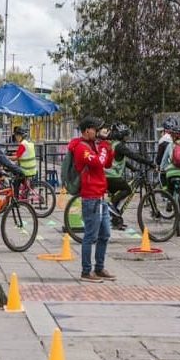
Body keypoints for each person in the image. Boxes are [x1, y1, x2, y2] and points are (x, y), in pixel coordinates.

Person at [68, 116, 115, 283]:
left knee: (105, 234)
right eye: (95, 129)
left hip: (100, 196)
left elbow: (107, 163)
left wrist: (107, 146)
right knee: (90, 235)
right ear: (87, 130)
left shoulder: (93, 145)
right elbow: (98, 163)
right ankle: (86, 271)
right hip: (91, 197)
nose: (97, 132)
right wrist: (102, 145)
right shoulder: (81, 148)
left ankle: (99, 268)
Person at [105, 122, 155, 219]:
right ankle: (110, 207)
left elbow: (121, 161)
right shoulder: (120, 146)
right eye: (126, 135)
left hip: (107, 175)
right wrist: (150, 163)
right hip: (112, 176)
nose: (127, 138)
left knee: (118, 194)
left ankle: (115, 218)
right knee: (127, 189)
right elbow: (134, 156)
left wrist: (133, 169)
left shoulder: (113, 144)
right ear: (121, 136)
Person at [10, 127, 37, 197]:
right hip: (32, 169)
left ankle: (16, 198)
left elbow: (16, 158)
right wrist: (12, 154)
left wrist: (6, 157)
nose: (15, 138)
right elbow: (22, 154)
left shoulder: (22, 145)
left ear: (20, 136)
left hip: (26, 170)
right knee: (19, 177)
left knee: (16, 181)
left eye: (16, 136)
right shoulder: (28, 143)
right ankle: (26, 188)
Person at [156, 117, 175, 189]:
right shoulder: (175, 138)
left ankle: (165, 196)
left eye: (161, 131)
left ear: (164, 131)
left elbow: (160, 156)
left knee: (162, 179)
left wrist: (158, 165)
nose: (160, 133)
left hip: (166, 167)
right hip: (177, 166)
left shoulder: (162, 140)